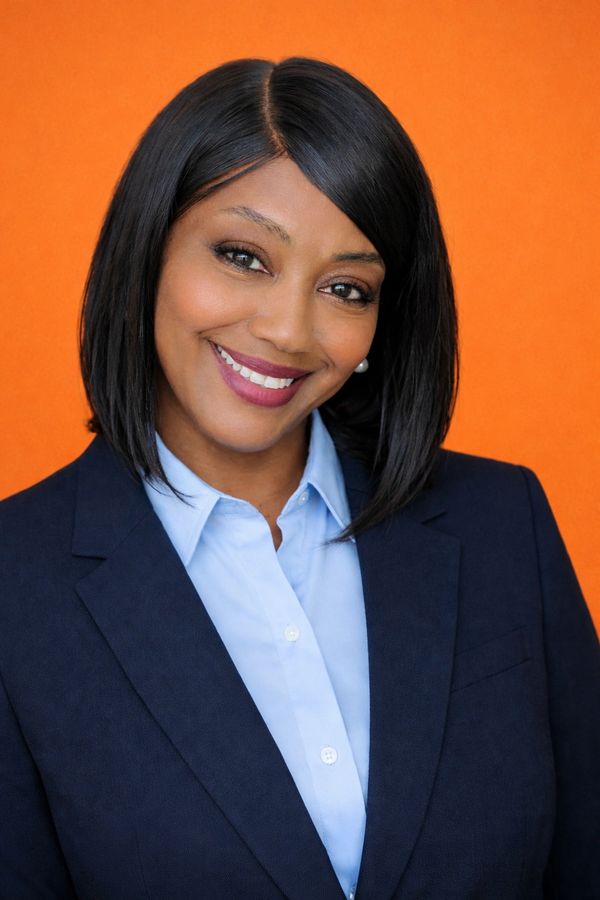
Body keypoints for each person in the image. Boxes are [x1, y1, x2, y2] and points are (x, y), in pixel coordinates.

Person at [0, 56, 598, 900]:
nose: (288, 329)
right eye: (243, 256)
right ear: (150, 253)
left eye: (346, 287)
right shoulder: (14, 586)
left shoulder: (504, 526)